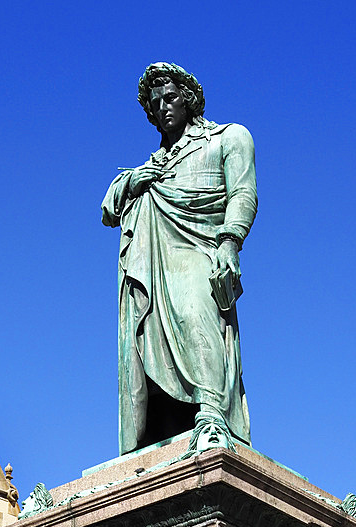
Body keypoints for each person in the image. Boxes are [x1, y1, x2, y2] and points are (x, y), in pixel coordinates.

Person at [102, 62, 257, 454]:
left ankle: (211, 412)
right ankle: (158, 431)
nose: (163, 108)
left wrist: (230, 241)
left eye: (170, 98)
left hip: (201, 248)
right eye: (155, 104)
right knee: (143, 342)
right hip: (153, 264)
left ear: (188, 99)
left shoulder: (228, 137)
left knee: (195, 313)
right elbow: (107, 210)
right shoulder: (151, 165)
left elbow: (243, 193)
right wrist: (133, 182)